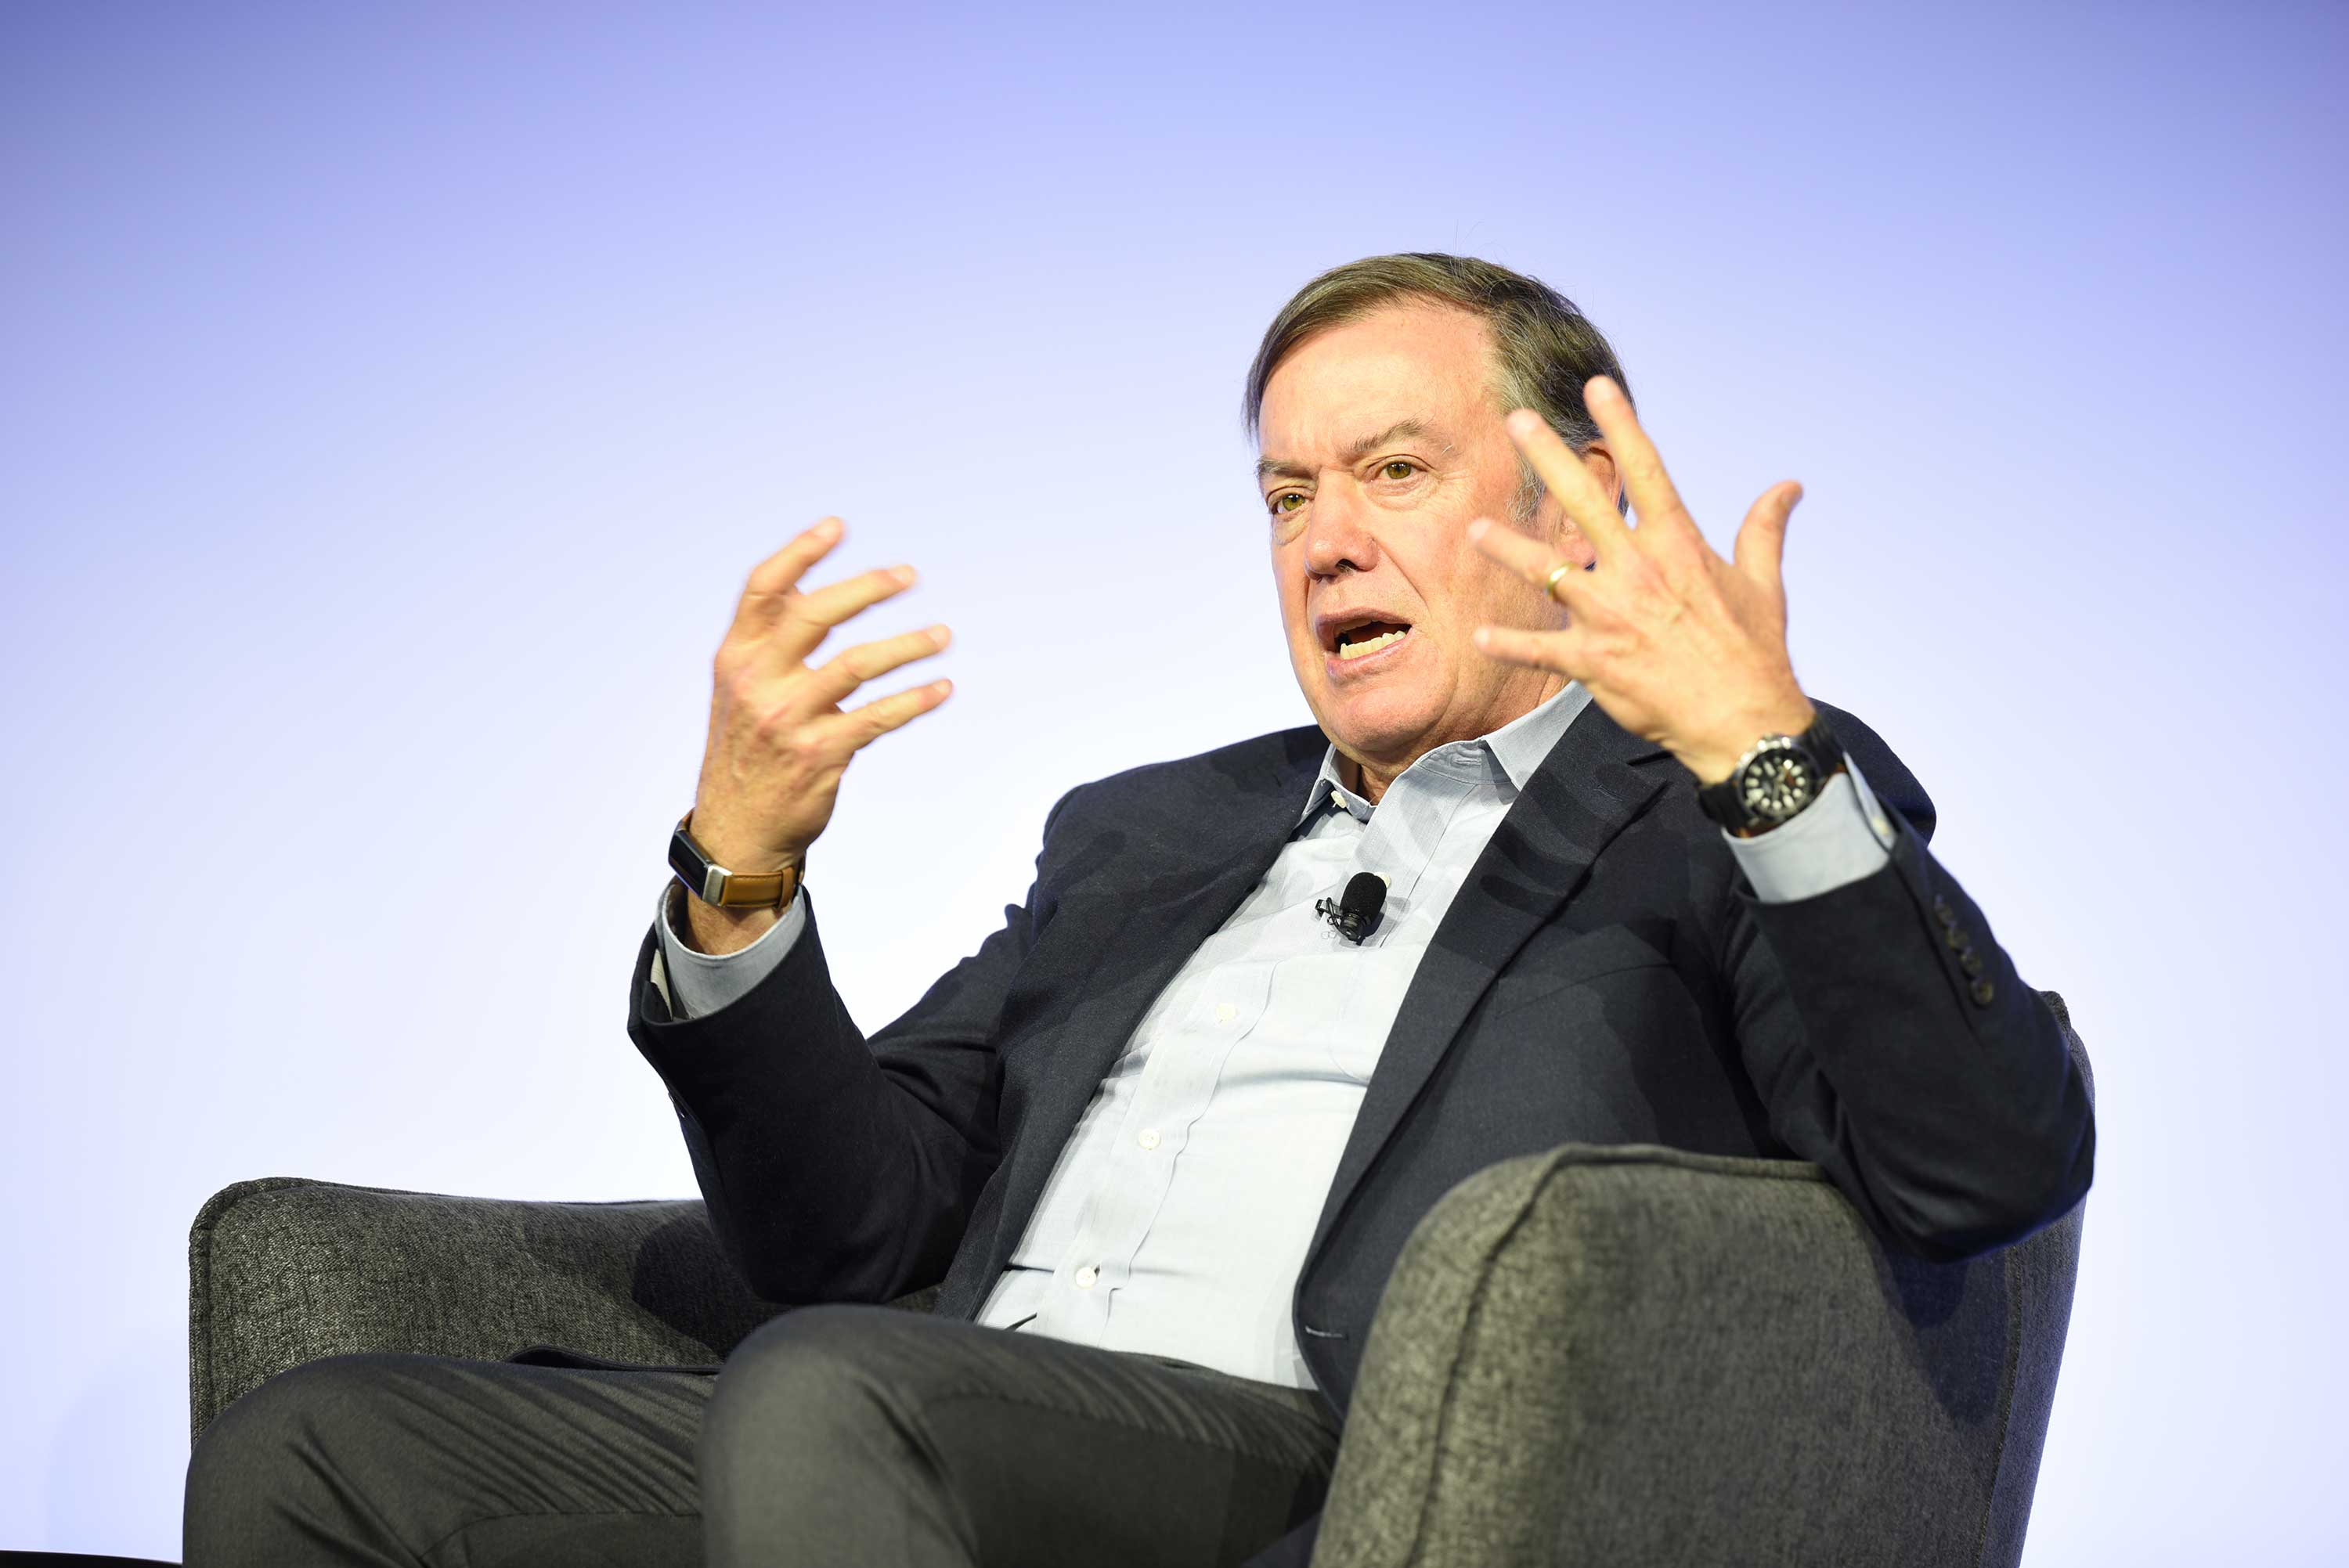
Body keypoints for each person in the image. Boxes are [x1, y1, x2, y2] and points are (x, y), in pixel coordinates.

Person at [184, 253, 2095, 1568]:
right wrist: (741, 876)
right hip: (923, 1409)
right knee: (321, 1441)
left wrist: (1761, 752)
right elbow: (848, 1224)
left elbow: (1979, 1169)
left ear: (1582, 495)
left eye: (1393, 472)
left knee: (840, 1397)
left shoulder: (1713, 802)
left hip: (1336, 1463)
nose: (1324, 535)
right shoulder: (1148, 832)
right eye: (1284, 493)